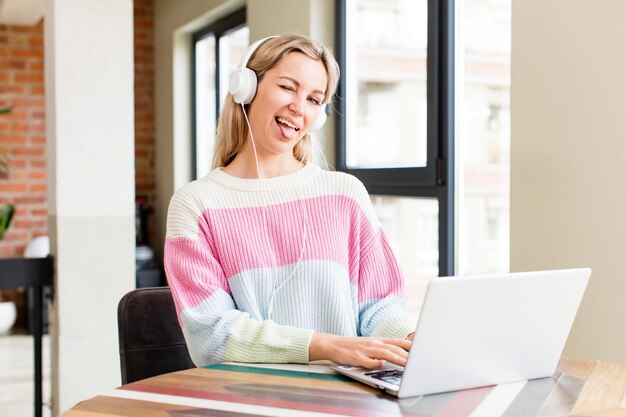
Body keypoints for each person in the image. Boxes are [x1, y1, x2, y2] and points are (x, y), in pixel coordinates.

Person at [164, 34, 414, 369]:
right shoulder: (195, 204)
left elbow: (381, 304)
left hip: (349, 397)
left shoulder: (345, 194)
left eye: (314, 99)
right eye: (287, 87)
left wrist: (405, 340)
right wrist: (326, 346)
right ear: (246, 89)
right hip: (254, 400)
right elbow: (210, 336)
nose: (299, 107)